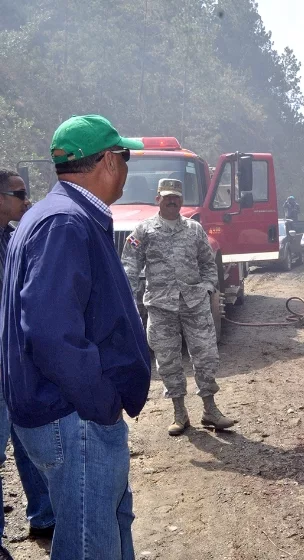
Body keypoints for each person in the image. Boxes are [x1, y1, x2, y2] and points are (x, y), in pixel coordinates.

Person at [1, 114, 152, 560]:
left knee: (108, 523)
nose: (126, 167)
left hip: (68, 413)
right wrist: (100, 402)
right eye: (124, 156)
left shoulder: (57, 215)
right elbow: (50, 332)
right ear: (108, 160)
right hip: (73, 416)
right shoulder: (65, 222)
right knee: (89, 542)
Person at [122, 178, 235, 437]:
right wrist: (130, 297)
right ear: (158, 199)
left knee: (206, 355)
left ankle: (210, 409)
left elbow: (209, 262)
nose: (172, 200)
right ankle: (179, 413)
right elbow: (129, 264)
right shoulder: (143, 230)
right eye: (167, 196)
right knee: (167, 360)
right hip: (161, 305)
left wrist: (208, 286)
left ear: (181, 201)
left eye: (176, 197)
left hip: (194, 303)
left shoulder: (195, 230)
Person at [0, 171, 55, 559]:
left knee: (27, 439)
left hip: (13, 360)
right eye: (19, 194)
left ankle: (43, 515)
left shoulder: (9, 236)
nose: (25, 199)